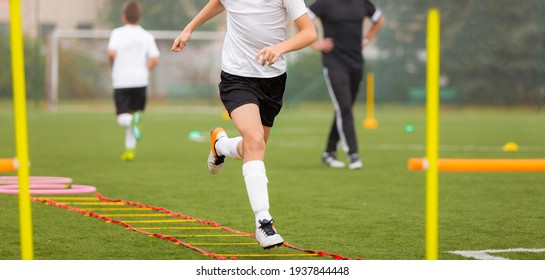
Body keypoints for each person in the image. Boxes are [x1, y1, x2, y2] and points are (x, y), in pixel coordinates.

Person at [171, 0, 316, 249]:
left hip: (273, 79)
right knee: (255, 140)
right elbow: (218, 2)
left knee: (254, 146)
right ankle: (264, 222)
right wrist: (189, 28)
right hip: (237, 77)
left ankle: (221, 145)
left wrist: (281, 48)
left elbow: (309, 33)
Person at [308, 0, 384, 170]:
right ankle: (353, 154)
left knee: (345, 108)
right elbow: (301, 19)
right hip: (334, 62)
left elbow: (379, 19)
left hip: (356, 62)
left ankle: (329, 152)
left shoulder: (363, 3)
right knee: (344, 107)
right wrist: (314, 44)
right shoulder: (325, 3)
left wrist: (367, 38)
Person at [108, 1, 160, 161]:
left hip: (122, 81)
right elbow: (154, 57)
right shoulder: (146, 35)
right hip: (140, 81)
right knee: (132, 115)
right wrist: (145, 70)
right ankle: (129, 151)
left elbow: (111, 53)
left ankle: (131, 123)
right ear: (139, 17)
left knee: (121, 117)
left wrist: (114, 66)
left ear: (124, 17)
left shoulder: (117, 33)